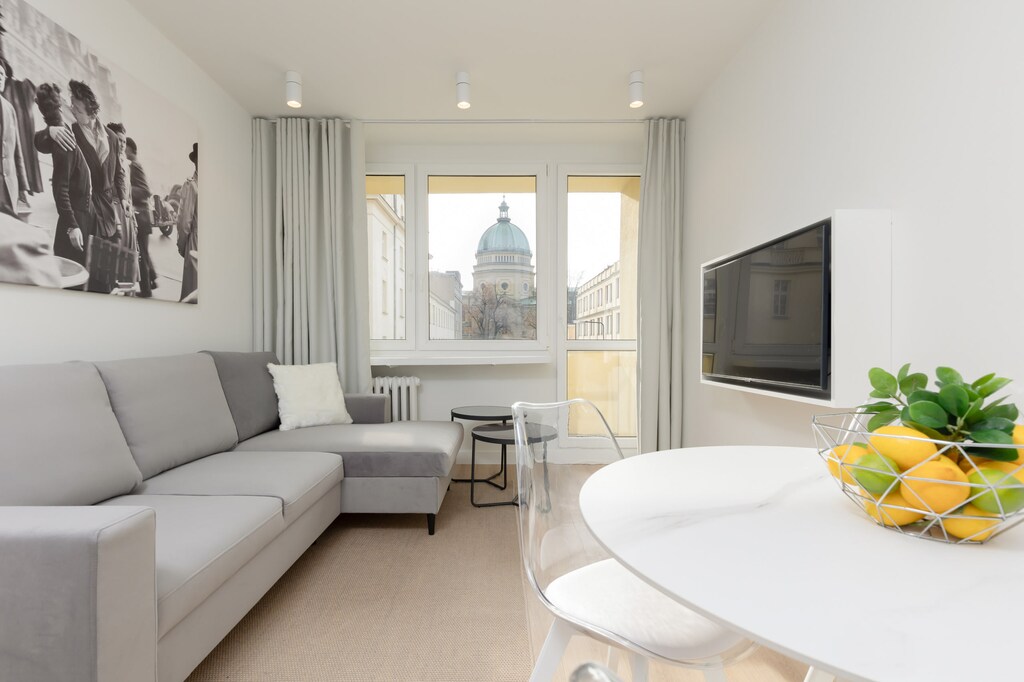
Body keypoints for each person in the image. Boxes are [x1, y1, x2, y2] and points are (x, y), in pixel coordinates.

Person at [42, 80, 129, 292]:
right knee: (74, 280)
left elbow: (118, 173)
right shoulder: (69, 133)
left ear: (92, 112)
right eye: (71, 105)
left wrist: (124, 198)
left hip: (106, 218)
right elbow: (42, 143)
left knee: (103, 282)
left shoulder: (111, 138)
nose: (73, 110)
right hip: (79, 217)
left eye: (78, 109)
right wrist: (51, 131)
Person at [32, 82, 92, 267]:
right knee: (73, 275)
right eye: (65, 102)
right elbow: (60, 190)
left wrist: (49, 131)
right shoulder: (63, 140)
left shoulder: (63, 130)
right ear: (58, 106)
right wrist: (73, 226)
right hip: (75, 219)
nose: (70, 106)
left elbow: (39, 142)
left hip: (80, 216)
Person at [125, 136, 157, 296]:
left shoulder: (135, 165)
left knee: (141, 255)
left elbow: (145, 191)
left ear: (130, 149)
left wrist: (126, 189)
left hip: (141, 216)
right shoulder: (136, 165)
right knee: (143, 252)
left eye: (125, 147)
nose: (124, 151)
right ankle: (153, 278)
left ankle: (146, 290)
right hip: (144, 216)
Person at [0, 56, 29, 220]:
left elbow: (17, 150)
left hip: (9, 187)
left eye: (2, 74)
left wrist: (23, 186)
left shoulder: (10, 109)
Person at [177, 142, 198, 302]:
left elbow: (184, 222)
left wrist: (182, 245)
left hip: (195, 242)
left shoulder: (192, 185)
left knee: (191, 293)